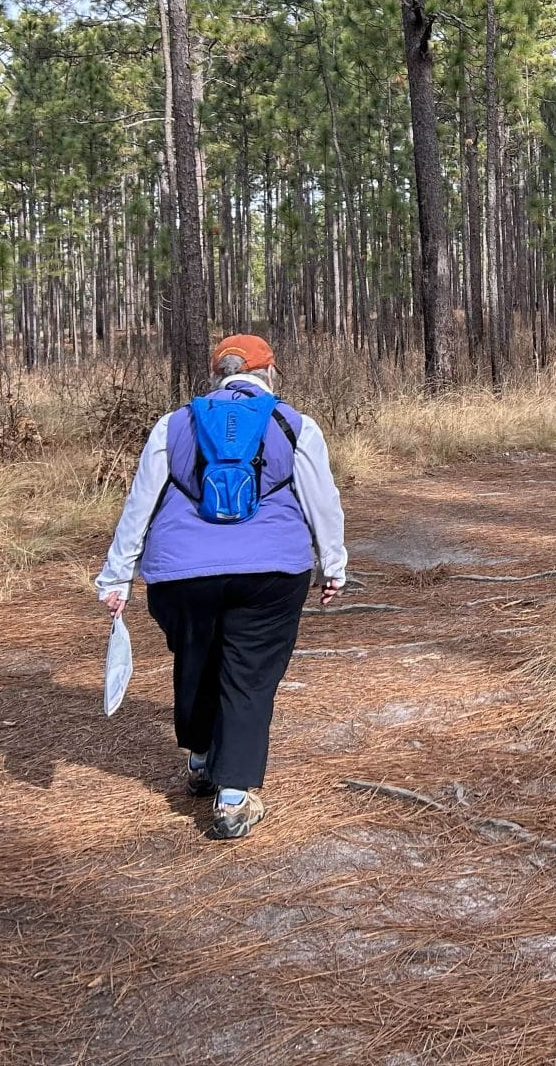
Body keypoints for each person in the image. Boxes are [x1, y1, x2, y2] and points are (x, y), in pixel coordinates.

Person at [96, 335, 349, 840]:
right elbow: (322, 498)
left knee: (196, 659)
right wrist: (333, 563)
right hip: (272, 572)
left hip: (180, 572)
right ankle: (233, 797)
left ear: (217, 375)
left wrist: (117, 574)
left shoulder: (175, 423)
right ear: (269, 374)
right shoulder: (292, 423)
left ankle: (201, 758)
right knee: (249, 675)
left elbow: (140, 502)